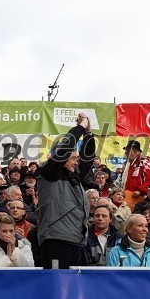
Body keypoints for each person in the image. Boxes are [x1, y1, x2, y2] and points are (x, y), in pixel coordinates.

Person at [38, 113, 95, 269]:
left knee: (78, 290)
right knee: (58, 288)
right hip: (56, 240)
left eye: (77, 158)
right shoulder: (48, 173)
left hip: (78, 241)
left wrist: (88, 133)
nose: (76, 162)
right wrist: (80, 127)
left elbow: (88, 158)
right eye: (72, 158)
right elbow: (66, 147)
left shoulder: (74, 176)